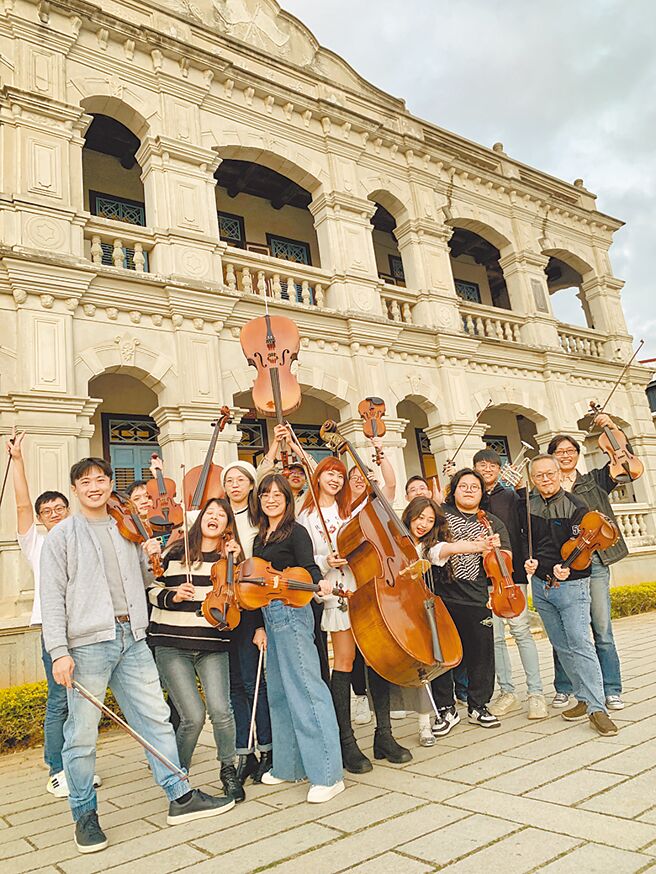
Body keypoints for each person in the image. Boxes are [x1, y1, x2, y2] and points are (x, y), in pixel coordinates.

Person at [40, 457, 233, 854]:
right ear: (75, 489)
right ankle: (84, 813)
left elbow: (145, 582)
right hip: (88, 643)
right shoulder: (62, 535)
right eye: (86, 481)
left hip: (132, 636)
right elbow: (52, 599)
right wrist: (59, 652)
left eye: (101, 479)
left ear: (112, 485)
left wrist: (150, 557)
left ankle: (180, 797)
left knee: (157, 719)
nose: (95, 487)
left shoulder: (126, 530)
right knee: (81, 734)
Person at [5, 430, 102, 799]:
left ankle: (79, 765)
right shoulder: (37, 542)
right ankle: (57, 769)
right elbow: (21, 507)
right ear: (42, 519)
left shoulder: (83, 535)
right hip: (52, 632)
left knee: (85, 700)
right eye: (47, 512)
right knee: (60, 700)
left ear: (69, 509)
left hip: (86, 629)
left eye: (59, 509)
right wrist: (18, 461)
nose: (53, 515)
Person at [298, 458, 411, 773]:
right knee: (344, 661)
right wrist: (325, 560)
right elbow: (305, 556)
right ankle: (346, 741)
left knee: (376, 657)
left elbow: (386, 492)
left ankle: (384, 735)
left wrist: (379, 459)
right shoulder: (306, 516)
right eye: (329, 474)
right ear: (317, 477)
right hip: (337, 589)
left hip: (365, 584)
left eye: (339, 475)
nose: (334, 479)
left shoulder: (351, 511)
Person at [252, 473, 345, 803]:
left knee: (307, 688)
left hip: (292, 611)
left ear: (287, 500)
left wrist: (319, 582)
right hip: (268, 614)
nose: (272, 499)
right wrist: (258, 625)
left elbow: (308, 567)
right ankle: (289, 765)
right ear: (259, 500)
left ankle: (329, 774)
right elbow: (255, 583)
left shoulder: (297, 531)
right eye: (265, 494)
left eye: (278, 494)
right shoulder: (260, 539)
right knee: (278, 691)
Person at [148, 498, 244, 803]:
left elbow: (241, 599)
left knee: (221, 710)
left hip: (212, 644)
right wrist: (172, 596)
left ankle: (228, 769)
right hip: (172, 644)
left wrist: (235, 565)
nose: (214, 517)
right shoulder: (175, 552)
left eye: (221, 515)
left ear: (228, 525)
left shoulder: (229, 561)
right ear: (200, 519)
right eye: (210, 513)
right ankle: (178, 779)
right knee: (192, 716)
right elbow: (149, 588)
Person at [524, 454, 619, 737]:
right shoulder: (527, 504)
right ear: (533, 479)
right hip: (541, 586)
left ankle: (597, 709)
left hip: (572, 584)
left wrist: (568, 568)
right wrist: (529, 561)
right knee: (561, 645)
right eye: (539, 475)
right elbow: (524, 540)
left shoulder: (576, 505)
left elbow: (582, 549)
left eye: (550, 473)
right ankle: (582, 696)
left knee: (580, 643)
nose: (545, 479)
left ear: (559, 473)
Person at [547, 419, 630, 711]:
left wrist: (610, 426)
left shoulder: (594, 479)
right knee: (565, 629)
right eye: (560, 451)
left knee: (602, 628)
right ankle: (565, 687)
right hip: (564, 565)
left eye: (571, 450)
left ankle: (611, 688)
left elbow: (626, 466)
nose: (566, 455)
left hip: (594, 562)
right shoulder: (548, 488)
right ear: (552, 456)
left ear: (577, 454)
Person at [401, 496, 497, 743]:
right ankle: (446, 709)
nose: (423, 524)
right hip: (406, 610)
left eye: (430, 521)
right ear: (409, 515)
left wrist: (478, 546)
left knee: (475, 652)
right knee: (437, 658)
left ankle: (478, 706)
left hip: (434, 606)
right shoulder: (395, 541)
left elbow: (449, 549)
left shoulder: (428, 547)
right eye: (420, 517)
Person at [430, 468, 512, 729]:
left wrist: (497, 550)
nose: (468, 490)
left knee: (482, 654)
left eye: (474, 487)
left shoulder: (491, 522)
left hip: (477, 597)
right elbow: (428, 547)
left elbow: (506, 560)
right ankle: (445, 709)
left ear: (482, 492)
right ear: (453, 490)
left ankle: (478, 706)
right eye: (463, 485)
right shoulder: (440, 515)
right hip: (442, 596)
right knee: (442, 656)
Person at [472, 448, 547, 720]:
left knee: (521, 631)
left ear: (499, 469)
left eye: (492, 465)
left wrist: (522, 487)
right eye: (482, 465)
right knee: (495, 638)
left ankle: (536, 693)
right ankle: (507, 692)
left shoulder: (512, 495)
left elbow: (527, 524)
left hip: (510, 575)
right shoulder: (473, 499)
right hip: (483, 577)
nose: (487, 469)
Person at [221, 460, 273, 784]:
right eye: (229, 480)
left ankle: (268, 748)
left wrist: (258, 623)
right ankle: (245, 752)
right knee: (234, 687)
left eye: (241, 479)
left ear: (252, 484)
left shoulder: (260, 521)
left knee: (256, 683)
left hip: (251, 606)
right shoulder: (218, 518)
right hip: (223, 609)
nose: (235, 484)